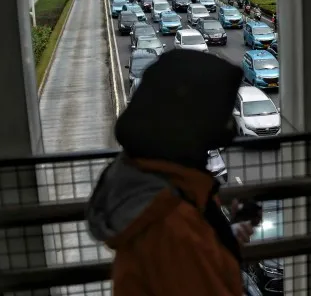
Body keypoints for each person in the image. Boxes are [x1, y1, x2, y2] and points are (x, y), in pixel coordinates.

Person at [86, 50, 257, 296]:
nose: (229, 127)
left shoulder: (155, 190)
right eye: (220, 117)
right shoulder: (172, 225)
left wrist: (222, 234)